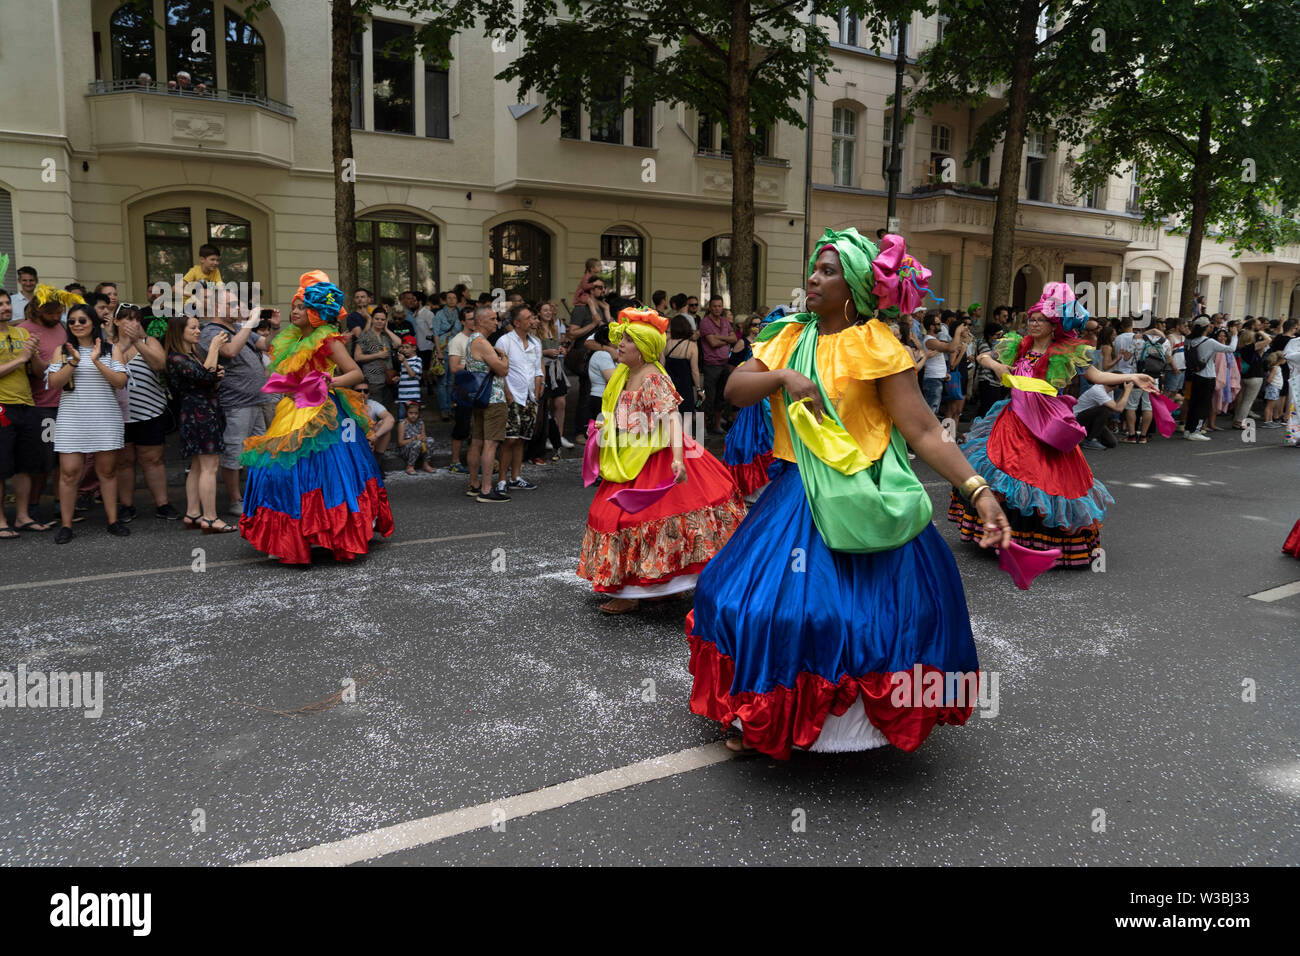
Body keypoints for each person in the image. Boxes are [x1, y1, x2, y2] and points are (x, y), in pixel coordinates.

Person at [687, 229, 1011, 759]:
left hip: (863, 495)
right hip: (795, 493)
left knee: (862, 616)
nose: (813, 278)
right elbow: (734, 390)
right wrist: (785, 376)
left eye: (829, 271)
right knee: (749, 602)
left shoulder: (876, 345)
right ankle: (763, 713)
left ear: (856, 286)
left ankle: (847, 723)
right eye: (815, 268)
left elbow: (925, 432)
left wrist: (978, 491)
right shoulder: (788, 335)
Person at [950, 282, 1157, 566]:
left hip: (1047, 422)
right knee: (1002, 469)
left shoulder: (1066, 351)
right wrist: (996, 366)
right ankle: (1001, 533)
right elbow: (983, 356)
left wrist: (1130, 378)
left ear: (1054, 325)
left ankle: (1034, 543)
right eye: (1032, 319)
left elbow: (1095, 376)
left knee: (1045, 478)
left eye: (1040, 320)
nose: (1033, 324)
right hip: (1013, 418)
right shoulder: (1018, 344)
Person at [576, 308, 746, 615]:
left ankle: (634, 592)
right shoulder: (624, 374)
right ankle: (652, 588)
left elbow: (672, 420)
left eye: (627, 340)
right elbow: (623, 415)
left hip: (654, 455)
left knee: (637, 518)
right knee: (621, 517)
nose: (621, 345)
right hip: (627, 454)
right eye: (622, 339)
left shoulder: (652, 377)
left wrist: (678, 460)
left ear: (642, 349)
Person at [239, 271, 395, 562]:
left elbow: (356, 373)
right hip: (292, 410)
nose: (293, 311)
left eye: (300, 306)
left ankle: (326, 532)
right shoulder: (292, 340)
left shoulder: (329, 340)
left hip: (324, 412)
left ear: (316, 312)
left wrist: (326, 382)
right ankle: (292, 535)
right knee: (281, 468)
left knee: (328, 470)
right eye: (293, 306)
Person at [44, 303, 130, 543]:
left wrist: (96, 361)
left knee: (107, 471)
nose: (77, 325)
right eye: (72, 321)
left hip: (104, 416)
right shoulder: (62, 350)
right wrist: (73, 361)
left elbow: (120, 382)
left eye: (82, 320)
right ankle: (66, 525)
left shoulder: (110, 349)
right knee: (69, 473)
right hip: (72, 417)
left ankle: (113, 520)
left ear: (93, 322)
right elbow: (54, 383)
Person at [198, 288, 270, 516]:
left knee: (259, 451)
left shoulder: (238, 328)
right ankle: (235, 500)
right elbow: (229, 351)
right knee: (235, 453)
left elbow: (264, 345)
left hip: (256, 400)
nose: (239, 308)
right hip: (235, 402)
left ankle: (257, 494)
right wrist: (249, 323)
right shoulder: (209, 331)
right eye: (233, 304)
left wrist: (273, 326)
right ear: (217, 308)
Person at [111, 303, 181, 521]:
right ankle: (126, 506)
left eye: (136, 319)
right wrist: (122, 345)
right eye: (127, 319)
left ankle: (162, 504)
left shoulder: (148, 341)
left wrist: (137, 342)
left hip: (149, 411)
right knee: (123, 462)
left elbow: (160, 364)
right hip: (118, 415)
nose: (133, 323)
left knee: (153, 459)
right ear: (116, 322)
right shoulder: (107, 345)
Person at [464, 305, 511, 503]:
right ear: (480, 321)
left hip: (479, 398)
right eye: (492, 319)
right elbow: (502, 370)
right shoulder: (482, 342)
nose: (496, 322)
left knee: (477, 441)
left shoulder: (471, 340)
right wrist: (505, 358)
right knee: (490, 444)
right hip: (492, 398)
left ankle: (474, 484)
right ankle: (486, 489)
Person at [496, 304, 543, 492]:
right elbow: (500, 372)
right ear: (517, 323)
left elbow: (538, 369)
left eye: (533, 318)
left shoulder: (536, 343)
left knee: (522, 438)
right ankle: (501, 480)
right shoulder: (504, 341)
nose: (533, 321)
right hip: (513, 396)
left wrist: (538, 390)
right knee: (510, 439)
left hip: (530, 397)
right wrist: (507, 395)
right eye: (528, 318)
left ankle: (515, 477)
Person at [1183, 316, 1237, 440]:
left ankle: (1188, 429)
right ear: (1205, 328)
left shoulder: (1189, 340)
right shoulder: (1209, 342)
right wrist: (1234, 335)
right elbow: (1231, 349)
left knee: (1194, 403)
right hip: (1207, 376)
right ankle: (1196, 431)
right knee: (1204, 405)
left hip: (1195, 374)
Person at [535, 300, 572, 456]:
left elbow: (557, 346)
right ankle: (547, 437)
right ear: (538, 313)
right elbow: (532, 351)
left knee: (561, 402)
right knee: (546, 404)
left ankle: (559, 436)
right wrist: (546, 353)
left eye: (550, 310)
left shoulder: (554, 328)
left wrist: (561, 349)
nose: (549, 313)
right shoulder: (535, 329)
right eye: (545, 310)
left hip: (556, 369)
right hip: (544, 368)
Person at [699, 295, 736, 434]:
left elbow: (734, 339)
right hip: (711, 364)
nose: (717, 308)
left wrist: (720, 337)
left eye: (719, 306)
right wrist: (727, 340)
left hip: (724, 363)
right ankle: (702, 429)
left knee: (721, 397)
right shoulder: (705, 323)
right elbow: (712, 343)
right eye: (714, 306)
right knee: (708, 397)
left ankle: (716, 426)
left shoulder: (725, 321)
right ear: (710, 307)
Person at [446, 308, 475, 473]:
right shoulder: (457, 340)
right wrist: (473, 365)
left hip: (479, 386)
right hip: (464, 387)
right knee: (461, 425)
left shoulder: (479, 338)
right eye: (470, 319)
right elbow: (453, 367)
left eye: (475, 318)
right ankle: (455, 462)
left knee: (476, 426)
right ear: (463, 321)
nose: (473, 321)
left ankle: (474, 460)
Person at [1075, 380, 1132, 449]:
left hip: (1090, 420)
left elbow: (1114, 409)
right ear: (1117, 386)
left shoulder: (1109, 391)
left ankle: (1083, 438)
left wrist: (1124, 392)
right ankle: (1091, 440)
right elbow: (1119, 409)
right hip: (1076, 421)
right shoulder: (1097, 390)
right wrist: (1127, 392)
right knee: (1105, 410)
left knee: (1111, 443)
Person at [1234, 330, 1268, 428]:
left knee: (1242, 400)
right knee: (1248, 401)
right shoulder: (1250, 347)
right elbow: (1268, 339)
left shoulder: (1240, 348)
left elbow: (1258, 358)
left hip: (1244, 376)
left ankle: (1236, 420)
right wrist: (1261, 332)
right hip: (1255, 376)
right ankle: (1240, 422)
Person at [973, 320, 1007, 418]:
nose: (1000, 338)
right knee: (986, 409)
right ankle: (978, 429)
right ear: (990, 335)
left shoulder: (997, 344)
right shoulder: (983, 344)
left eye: (1001, 335)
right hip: (987, 381)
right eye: (997, 335)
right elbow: (991, 358)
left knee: (993, 410)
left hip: (996, 382)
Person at [395, 401, 436, 474]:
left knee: (430, 440)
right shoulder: (402, 424)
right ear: (406, 413)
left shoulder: (421, 422)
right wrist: (413, 439)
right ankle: (410, 466)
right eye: (410, 413)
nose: (413, 415)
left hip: (419, 447)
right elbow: (400, 443)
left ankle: (426, 464)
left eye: (416, 413)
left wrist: (423, 438)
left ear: (418, 414)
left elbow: (424, 436)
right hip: (405, 450)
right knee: (417, 443)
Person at [394, 334, 423, 419]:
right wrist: (399, 378)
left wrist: (404, 361)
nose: (404, 350)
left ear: (414, 348)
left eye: (407, 347)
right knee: (401, 418)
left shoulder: (417, 360)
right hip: (402, 395)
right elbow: (405, 374)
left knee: (413, 418)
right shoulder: (404, 360)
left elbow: (412, 374)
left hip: (413, 396)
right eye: (403, 347)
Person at [1261, 352, 1286, 426]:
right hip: (1273, 388)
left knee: (1272, 406)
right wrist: (1269, 385)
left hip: (1275, 388)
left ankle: (1270, 420)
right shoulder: (1275, 368)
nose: (1285, 360)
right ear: (1280, 359)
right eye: (1284, 358)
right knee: (1269, 406)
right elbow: (1269, 379)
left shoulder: (1277, 367)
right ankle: (1267, 422)